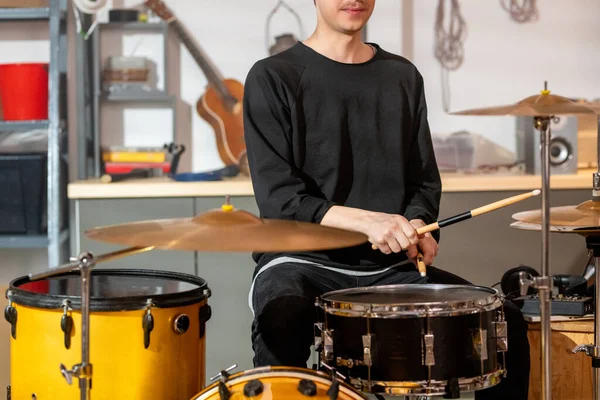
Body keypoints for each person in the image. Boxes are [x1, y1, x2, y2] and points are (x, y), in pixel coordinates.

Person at [242, 1, 530, 399]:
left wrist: (418, 222)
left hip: (389, 267)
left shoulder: (402, 76)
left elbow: (423, 181)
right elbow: (280, 200)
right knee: (283, 315)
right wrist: (368, 222)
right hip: (300, 261)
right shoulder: (272, 76)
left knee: (506, 323)